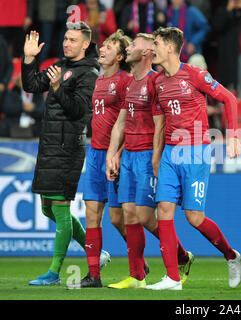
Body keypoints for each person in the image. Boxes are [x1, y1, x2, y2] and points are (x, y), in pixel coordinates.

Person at [146, 26, 241, 291]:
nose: (152, 48)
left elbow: (229, 99)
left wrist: (233, 136)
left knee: (194, 217)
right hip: (169, 153)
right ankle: (172, 278)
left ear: (170, 47)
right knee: (163, 210)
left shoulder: (196, 75)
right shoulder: (157, 82)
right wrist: (157, 154)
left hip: (196, 152)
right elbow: (160, 120)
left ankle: (231, 255)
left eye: (156, 43)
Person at [106, 32, 193, 289]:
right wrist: (115, 153)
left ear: (145, 53)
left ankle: (181, 256)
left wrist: (157, 155)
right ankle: (137, 276)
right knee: (128, 215)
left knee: (144, 216)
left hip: (147, 156)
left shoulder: (156, 81)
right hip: (130, 155)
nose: (129, 48)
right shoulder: (129, 83)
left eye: (133, 45)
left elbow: (162, 122)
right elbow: (122, 122)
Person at [22, 22, 104, 286]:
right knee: (49, 209)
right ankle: (97, 252)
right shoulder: (62, 67)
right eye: (65, 38)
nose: (66, 43)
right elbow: (32, 85)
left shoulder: (90, 73)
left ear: (85, 45)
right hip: (49, 145)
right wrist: (29, 58)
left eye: (72, 40)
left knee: (60, 207)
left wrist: (57, 89)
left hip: (67, 147)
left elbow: (79, 111)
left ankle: (54, 272)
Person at [65, 29, 133, 288]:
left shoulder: (126, 80)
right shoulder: (97, 80)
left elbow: (130, 121)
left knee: (117, 218)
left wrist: (117, 152)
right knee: (91, 213)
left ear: (120, 56)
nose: (102, 48)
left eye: (108, 46)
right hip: (94, 153)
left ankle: (138, 263)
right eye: (102, 45)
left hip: (115, 156)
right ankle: (94, 274)